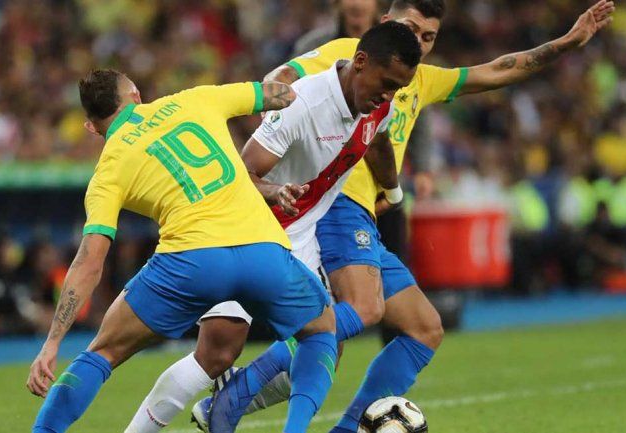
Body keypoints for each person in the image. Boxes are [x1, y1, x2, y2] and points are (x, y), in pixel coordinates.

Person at [194, 1, 616, 433]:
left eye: (429, 36)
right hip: (334, 204)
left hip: (367, 215)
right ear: (386, 23)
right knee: (357, 312)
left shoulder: (420, 79)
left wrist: (567, 43)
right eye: (411, 29)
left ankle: (302, 417)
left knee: (423, 328)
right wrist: (274, 116)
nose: (419, 41)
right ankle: (238, 393)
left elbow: (500, 69)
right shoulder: (350, 52)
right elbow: (282, 77)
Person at [125, 21, 420, 433]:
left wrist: (393, 190)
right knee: (216, 354)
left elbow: (379, 141)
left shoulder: (377, 106)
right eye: (386, 83)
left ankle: (239, 410)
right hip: (244, 232)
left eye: (397, 89)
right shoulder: (304, 103)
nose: (388, 96)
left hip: (297, 238)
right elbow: (243, 172)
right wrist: (275, 190)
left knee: (323, 341)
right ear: (360, 62)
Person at [26, 69, 339, 433]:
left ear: (92, 128)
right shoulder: (193, 99)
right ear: (136, 95)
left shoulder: (107, 171)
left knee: (102, 353)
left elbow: (89, 263)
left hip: (190, 262)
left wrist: (52, 343)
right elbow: (281, 95)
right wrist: (293, 79)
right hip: (262, 250)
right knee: (320, 331)